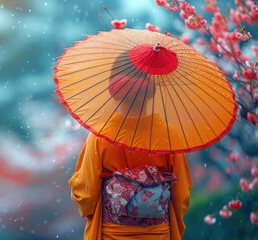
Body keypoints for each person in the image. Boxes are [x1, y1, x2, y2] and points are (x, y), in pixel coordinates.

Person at [68, 70, 192, 240]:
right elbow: (181, 195)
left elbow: (86, 196)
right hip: (157, 234)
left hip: (113, 234)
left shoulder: (101, 137)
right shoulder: (169, 136)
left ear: (116, 93)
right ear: (149, 94)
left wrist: (76, 181)